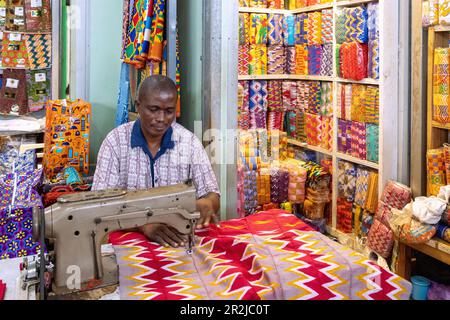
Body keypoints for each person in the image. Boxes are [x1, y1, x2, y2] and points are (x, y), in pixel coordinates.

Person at [92, 75, 220, 248]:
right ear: (138, 106)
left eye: (169, 111)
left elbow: (212, 194)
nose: (161, 118)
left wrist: (208, 203)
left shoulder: (189, 142)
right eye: (153, 109)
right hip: (127, 244)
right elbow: (100, 206)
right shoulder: (115, 143)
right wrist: (143, 225)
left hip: (176, 242)